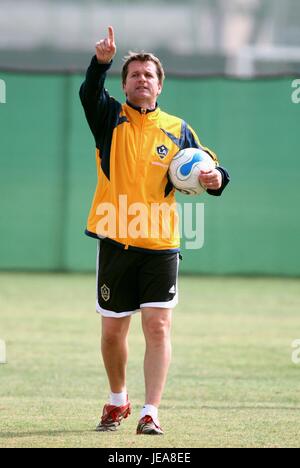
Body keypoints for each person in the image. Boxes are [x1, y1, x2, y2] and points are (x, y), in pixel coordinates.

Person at [79, 26, 230, 435]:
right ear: (124, 85)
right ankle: (117, 400)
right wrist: (102, 63)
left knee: (158, 326)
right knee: (113, 331)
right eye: (134, 75)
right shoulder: (109, 117)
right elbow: (89, 93)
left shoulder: (179, 130)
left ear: (160, 85)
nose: (142, 79)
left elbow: (210, 166)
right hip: (115, 240)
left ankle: (150, 412)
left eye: (149, 75)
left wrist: (215, 176)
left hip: (160, 245)